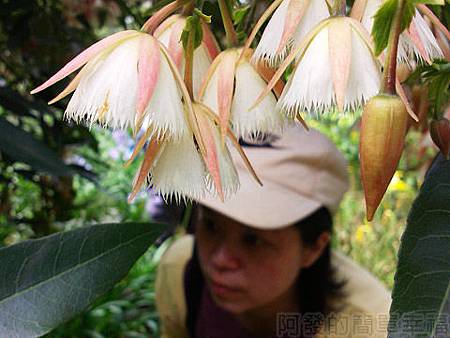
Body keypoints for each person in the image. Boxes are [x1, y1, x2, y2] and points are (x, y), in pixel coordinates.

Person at [155, 124, 391, 338]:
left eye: (253, 240)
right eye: (211, 226)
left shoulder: (374, 326)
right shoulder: (180, 271)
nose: (220, 259)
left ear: (314, 247)